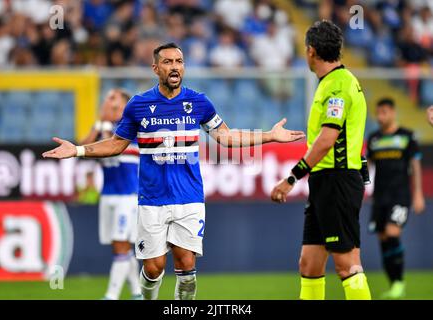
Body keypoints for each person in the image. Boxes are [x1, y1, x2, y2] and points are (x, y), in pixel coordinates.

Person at [42, 42, 305, 300]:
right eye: (168, 62)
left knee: (186, 265)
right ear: (155, 68)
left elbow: (226, 137)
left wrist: (270, 135)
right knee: (153, 267)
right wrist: (77, 150)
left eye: (179, 61)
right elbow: (116, 144)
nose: (175, 67)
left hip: (189, 197)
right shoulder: (138, 105)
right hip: (152, 200)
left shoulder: (199, 102)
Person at [271, 20, 371, 300]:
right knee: (309, 264)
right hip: (325, 182)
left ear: (311, 51)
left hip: (337, 180)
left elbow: (327, 140)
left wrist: (292, 178)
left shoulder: (338, 86)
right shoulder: (333, 82)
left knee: (346, 264)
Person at [79, 88, 142, 300]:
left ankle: (111, 295)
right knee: (121, 247)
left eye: (113, 98)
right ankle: (137, 293)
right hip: (108, 195)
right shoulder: (103, 128)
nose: (108, 102)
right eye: (106, 98)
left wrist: (104, 128)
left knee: (121, 245)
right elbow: (82, 148)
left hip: (128, 195)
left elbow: (114, 147)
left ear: (125, 104)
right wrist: (99, 122)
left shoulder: (132, 126)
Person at [367, 98, 425, 299]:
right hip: (379, 197)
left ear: (392, 112)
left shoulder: (407, 136)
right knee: (383, 239)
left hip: (400, 195)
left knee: (392, 232)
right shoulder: (374, 138)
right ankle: (394, 283)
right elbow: (369, 168)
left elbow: (415, 166)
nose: (380, 116)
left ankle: (399, 281)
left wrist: (418, 194)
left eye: (383, 112)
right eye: (378, 112)